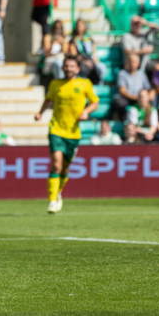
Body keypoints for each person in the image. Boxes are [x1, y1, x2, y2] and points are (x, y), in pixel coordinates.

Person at [34, 56, 99, 214]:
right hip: (56, 129)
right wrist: (40, 113)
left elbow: (95, 102)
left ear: (77, 69)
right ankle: (51, 200)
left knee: (65, 168)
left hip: (73, 132)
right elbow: (48, 100)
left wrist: (86, 111)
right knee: (56, 163)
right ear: (62, 68)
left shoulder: (84, 84)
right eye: (66, 66)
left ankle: (58, 193)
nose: (68, 68)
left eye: (72, 66)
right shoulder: (56, 84)